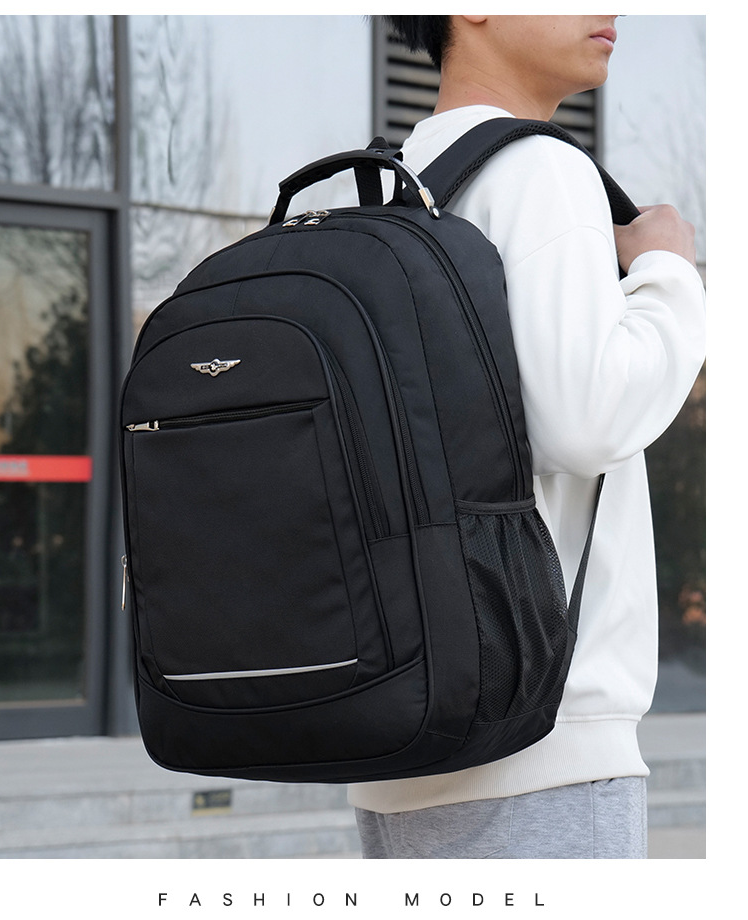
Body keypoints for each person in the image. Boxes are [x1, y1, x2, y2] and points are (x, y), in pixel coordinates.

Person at [348, 15, 706, 859]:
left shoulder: (400, 190)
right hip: (544, 742)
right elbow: (588, 418)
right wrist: (669, 272)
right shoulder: (541, 169)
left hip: (403, 737)